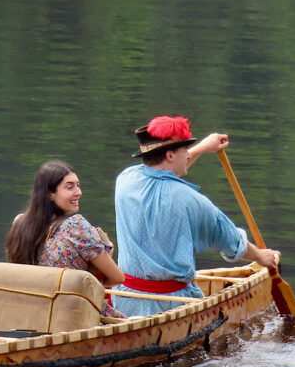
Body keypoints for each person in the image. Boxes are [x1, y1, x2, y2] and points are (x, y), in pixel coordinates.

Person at [111, 116, 280, 317]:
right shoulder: (192, 201)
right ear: (171, 155)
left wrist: (202, 148)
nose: (187, 154)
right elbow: (232, 241)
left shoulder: (125, 180)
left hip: (125, 299)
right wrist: (262, 256)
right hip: (174, 304)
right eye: (184, 149)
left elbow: (164, 173)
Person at [6, 160, 125, 318]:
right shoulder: (76, 226)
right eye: (70, 187)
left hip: (33, 315)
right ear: (49, 193)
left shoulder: (19, 224)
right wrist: (104, 256)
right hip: (74, 317)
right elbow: (118, 278)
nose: (79, 192)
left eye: (78, 185)